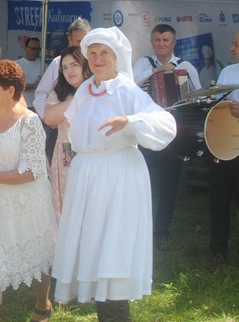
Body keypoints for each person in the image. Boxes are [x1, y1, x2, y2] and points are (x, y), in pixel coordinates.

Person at [52, 27, 177, 322]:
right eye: (92, 53)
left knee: (113, 245)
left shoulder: (126, 89)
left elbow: (165, 124)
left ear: (116, 56)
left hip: (117, 174)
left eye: (103, 53)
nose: (97, 59)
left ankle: (117, 314)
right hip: (87, 175)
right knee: (94, 245)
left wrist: (130, 121)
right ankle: (105, 312)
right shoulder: (84, 89)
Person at [0, 60, 55, 322]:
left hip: (24, 205)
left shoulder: (29, 122)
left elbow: (32, 171)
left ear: (10, 90)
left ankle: (43, 303)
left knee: (35, 264)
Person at [132, 23, 201, 248]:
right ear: (152, 42)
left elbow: (196, 96)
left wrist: (184, 93)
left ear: (174, 43)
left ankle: (161, 229)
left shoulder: (186, 66)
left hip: (174, 130)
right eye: (157, 40)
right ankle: (141, 226)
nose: (161, 44)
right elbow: (131, 85)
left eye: (166, 40)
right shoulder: (144, 63)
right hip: (146, 128)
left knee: (169, 181)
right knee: (145, 180)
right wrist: (156, 72)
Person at [42, 47, 91, 221]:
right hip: (66, 153)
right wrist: (79, 97)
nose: (69, 71)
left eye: (74, 65)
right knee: (67, 203)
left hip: (92, 155)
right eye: (65, 67)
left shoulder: (99, 90)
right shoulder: (59, 93)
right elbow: (49, 117)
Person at [208, 31, 239, 263]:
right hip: (224, 145)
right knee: (218, 199)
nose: (231, 49)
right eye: (232, 42)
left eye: (236, 44)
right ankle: (218, 250)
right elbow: (216, 105)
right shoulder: (228, 72)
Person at [33, 17, 91, 120]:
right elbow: (40, 94)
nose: (83, 45)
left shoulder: (94, 62)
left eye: (86, 41)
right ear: (70, 39)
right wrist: (48, 118)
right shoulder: (58, 62)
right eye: (79, 41)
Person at [16, 36, 42, 108]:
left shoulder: (43, 66)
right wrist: (33, 85)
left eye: (38, 49)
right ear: (26, 48)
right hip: (20, 104)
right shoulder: (17, 64)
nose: (36, 52)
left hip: (37, 106)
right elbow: (16, 85)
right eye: (33, 49)